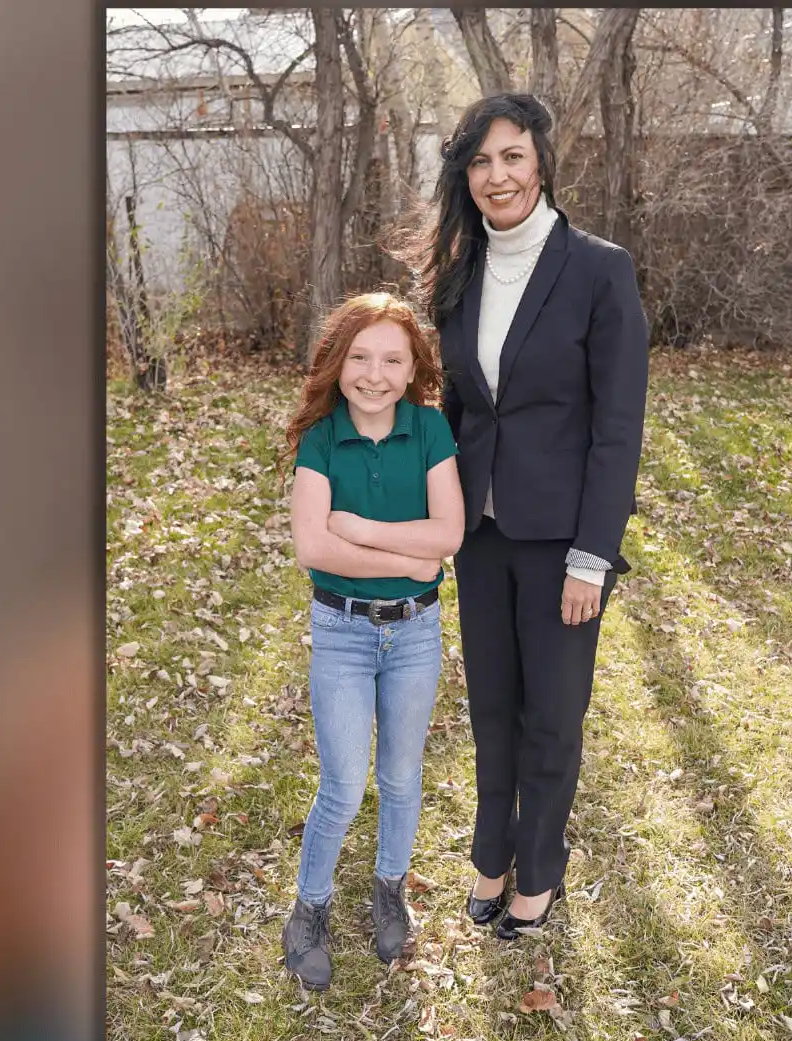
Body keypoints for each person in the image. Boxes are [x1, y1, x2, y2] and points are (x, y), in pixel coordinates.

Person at [400, 93, 650, 939]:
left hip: (562, 543)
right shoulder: (460, 272)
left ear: (541, 160)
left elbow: (618, 428)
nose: (496, 175)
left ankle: (539, 874)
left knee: (551, 715)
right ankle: (490, 857)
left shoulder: (599, 270)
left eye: (512, 156)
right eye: (480, 161)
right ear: (464, 176)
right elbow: (457, 411)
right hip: (480, 537)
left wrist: (593, 556)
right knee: (493, 710)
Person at [279, 292, 464, 991]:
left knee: (402, 777)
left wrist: (358, 530)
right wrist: (410, 558)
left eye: (392, 359)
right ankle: (310, 908)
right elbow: (311, 547)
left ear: (413, 366)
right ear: (338, 362)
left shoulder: (430, 429)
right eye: (360, 357)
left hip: (415, 632)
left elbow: (448, 535)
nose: (374, 375)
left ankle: (390, 891)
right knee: (344, 783)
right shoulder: (322, 438)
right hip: (342, 631)